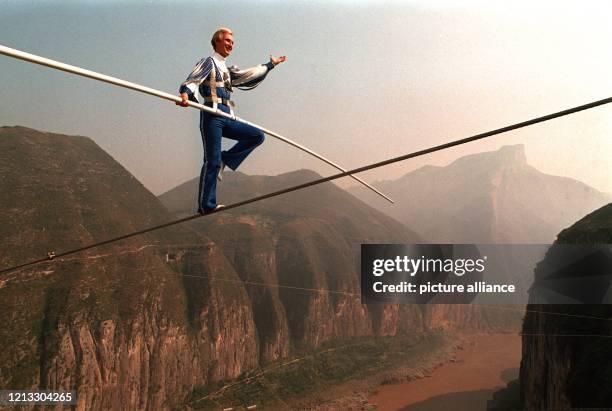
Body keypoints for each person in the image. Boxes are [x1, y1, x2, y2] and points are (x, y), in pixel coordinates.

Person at [177, 27, 286, 214]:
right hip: (212, 115)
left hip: (228, 115)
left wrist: (270, 65)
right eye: (227, 41)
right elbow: (193, 80)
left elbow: (248, 75)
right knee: (211, 160)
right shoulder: (208, 62)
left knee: (256, 136)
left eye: (232, 42)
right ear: (216, 42)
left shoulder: (227, 70)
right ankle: (206, 205)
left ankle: (225, 160)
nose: (231, 45)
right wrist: (185, 94)